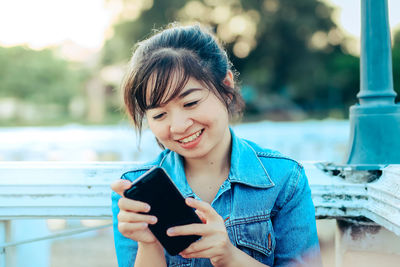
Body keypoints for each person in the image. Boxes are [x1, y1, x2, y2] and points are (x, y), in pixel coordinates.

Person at [111, 23, 322, 267]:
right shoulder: (134, 195)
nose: (178, 126)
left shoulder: (285, 180)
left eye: (190, 103)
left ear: (226, 88)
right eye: (159, 115)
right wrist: (149, 244)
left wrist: (229, 256)